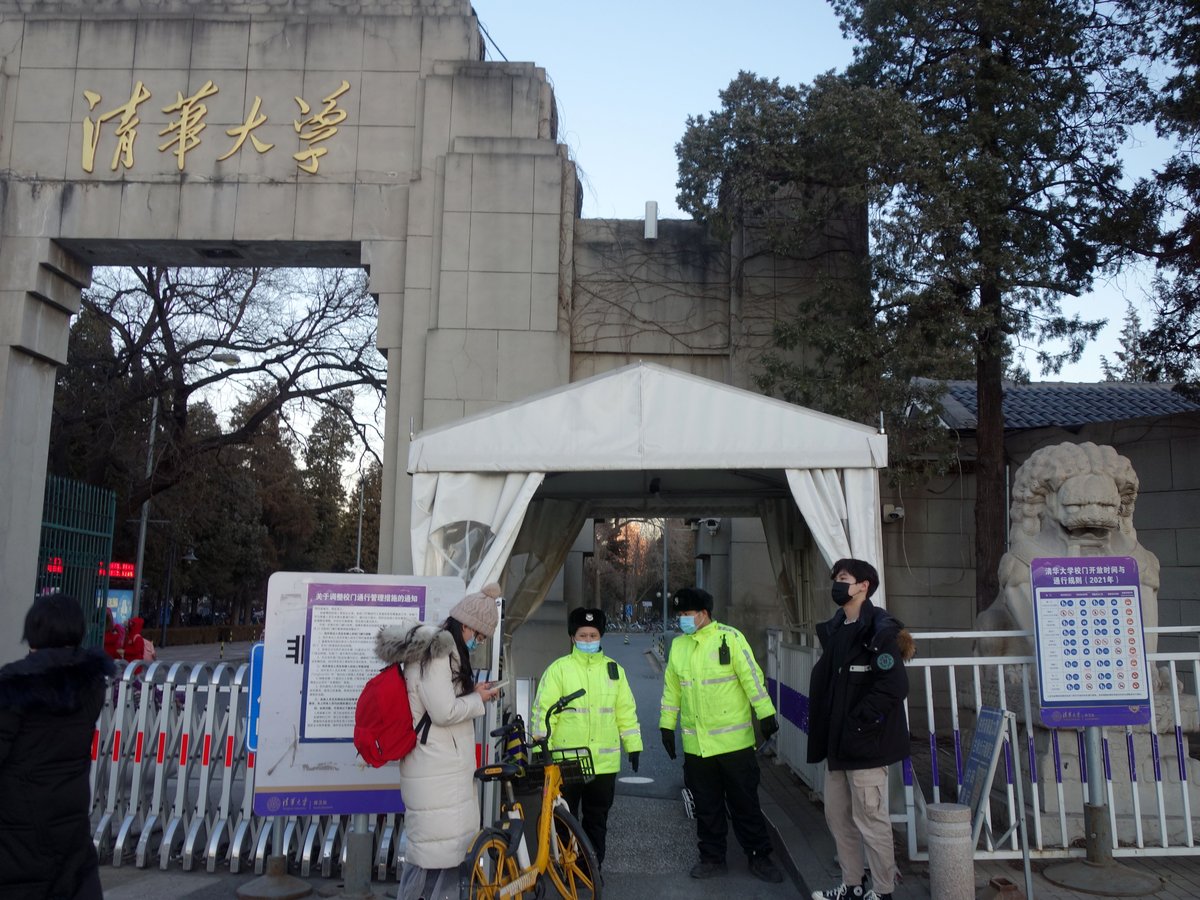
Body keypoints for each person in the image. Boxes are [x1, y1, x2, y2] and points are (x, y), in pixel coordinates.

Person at [376, 583, 503, 900]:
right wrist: (479, 700)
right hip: (436, 768)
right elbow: (444, 711)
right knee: (435, 858)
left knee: (439, 856)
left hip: (439, 768)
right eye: (480, 636)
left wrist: (475, 693)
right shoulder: (438, 655)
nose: (479, 642)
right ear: (467, 626)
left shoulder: (441, 651)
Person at [659, 586, 784, 883]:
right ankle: (712, 857)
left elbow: (752, 678)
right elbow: (672, 690)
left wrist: (765, 713)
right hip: (697, 746)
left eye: (687, 614)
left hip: (734, 744)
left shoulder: (730, 637)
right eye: (680, 615)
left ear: (704, 614)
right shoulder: (679, 646)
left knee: (745, 804)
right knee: (707, 806)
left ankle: (759, 856)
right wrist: (666, 724)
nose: (682, 620)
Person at [807, 559, 914, 900]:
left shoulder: (879, 631)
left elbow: (894, 685)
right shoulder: (838, 628)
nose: (836, 585)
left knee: (871, 821)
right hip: (838, 746)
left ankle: (882, 892)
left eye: (843, 579)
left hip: (866, 746)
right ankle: (852, 886)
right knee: (838, 819)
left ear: (864, 586)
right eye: (835, 579)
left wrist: (858, 722)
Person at [0, 594, 114, 899]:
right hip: (71, 833)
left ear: (32, 632)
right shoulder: (91, 686)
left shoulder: (12, 686)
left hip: (16, 841)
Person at [530, 607, 642, 867]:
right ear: (572, 637)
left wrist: (633, 745)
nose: (588, 640)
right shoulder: (558, 670)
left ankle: (591, 870)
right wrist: (539, 750)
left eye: (593, 635)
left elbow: (625, 711)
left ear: (600, 637)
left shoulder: (615, 670)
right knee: (565, 817)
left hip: (604, 764)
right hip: (567, 760)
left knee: (597, 820)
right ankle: (567, 865)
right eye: (583, 635)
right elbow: (543, 712)